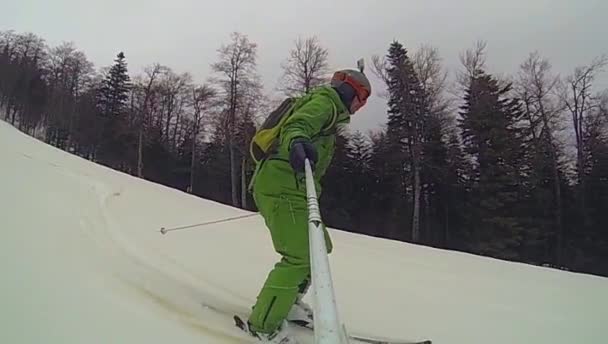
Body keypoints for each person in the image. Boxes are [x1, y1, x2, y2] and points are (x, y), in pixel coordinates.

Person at [244, 68, 371, 343]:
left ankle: (286, 302)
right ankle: (263, 325)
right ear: (348, 90)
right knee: (302, 255)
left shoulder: (330, 112)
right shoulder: (326, 103)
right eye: (362, 97)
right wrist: (297, 142)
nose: (361, 105)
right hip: (281, 185)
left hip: (291, 188)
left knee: (318, 248)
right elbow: (296, 126)